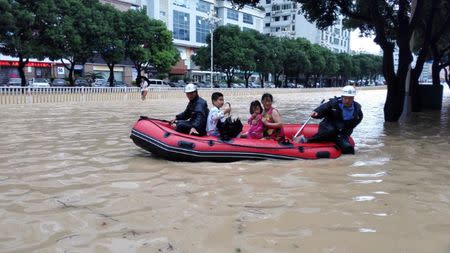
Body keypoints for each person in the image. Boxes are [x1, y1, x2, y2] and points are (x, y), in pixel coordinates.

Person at [298, 85, 363, 154]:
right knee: (330, 131)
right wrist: (316, 113)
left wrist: (349, 129)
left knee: (349, 150)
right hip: (328, 128)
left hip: (342, 133)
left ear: (353, 98)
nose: (347, 101)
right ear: (342, 97)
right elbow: (323, 108)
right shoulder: (334, 103)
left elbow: (359, 118)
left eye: (350, 98)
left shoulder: (357, 108)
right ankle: (306, 140)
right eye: (345, 98)